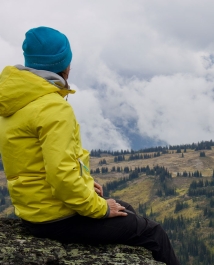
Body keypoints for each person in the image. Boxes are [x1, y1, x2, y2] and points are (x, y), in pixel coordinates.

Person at [0, 26, 180, 265]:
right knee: (153, 232)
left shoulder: (16, 100)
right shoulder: (52, 108)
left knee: (126, 209)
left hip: (34, 211)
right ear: (64, 64)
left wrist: (85, 183)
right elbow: (61, 175)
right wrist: (99, 209)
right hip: (57, 218)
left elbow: (36, 162)